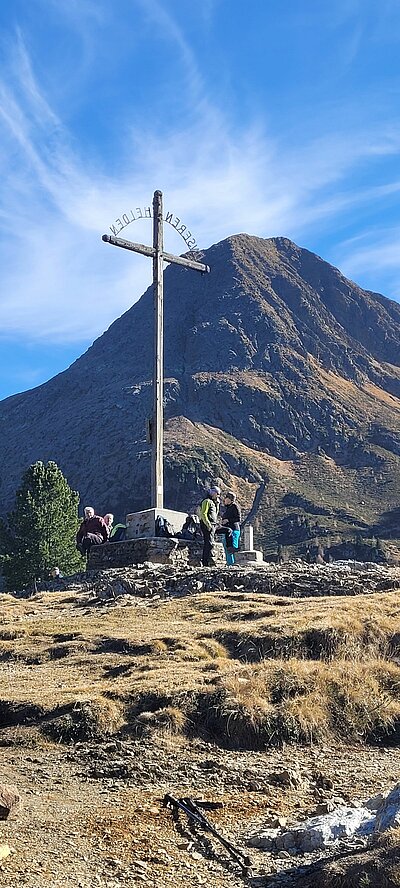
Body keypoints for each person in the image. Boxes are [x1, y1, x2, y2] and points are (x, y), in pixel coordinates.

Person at [217, 491, 241, 565]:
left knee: (231, 548)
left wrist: (228, 520)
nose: (224, 500)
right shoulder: (228, 508)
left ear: (230, 499)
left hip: (234, 530)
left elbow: (238, 518)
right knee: (227, 547)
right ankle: (229, 563)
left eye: (226, 498)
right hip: (227, 530)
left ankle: (233, 563)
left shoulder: (234, 506)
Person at [199, 487, 220, 567]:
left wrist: (217, 505)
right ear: (213, 493)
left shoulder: (213, 503)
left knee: (210, 543)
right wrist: (208, 524)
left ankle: (207, 560)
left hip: (212, 525)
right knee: (208, 543)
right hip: (207, 524)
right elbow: (203, 513)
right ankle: (205, 562)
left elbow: (216, 514)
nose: (218, 496)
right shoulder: (206, 501)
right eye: (217, 493)